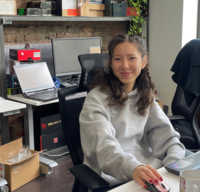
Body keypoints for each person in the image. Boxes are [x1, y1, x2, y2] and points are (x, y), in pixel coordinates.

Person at [79, 34, 186, 190]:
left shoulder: (144, 95)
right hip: (114, 178)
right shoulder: (95, 99)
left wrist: (172, 167)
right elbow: (105, 148)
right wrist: (135, 169)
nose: (125, 66)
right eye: (117, 59)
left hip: (151, 175)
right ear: (110, 63)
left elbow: (168, 138)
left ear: (143, 61)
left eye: (131, 58)